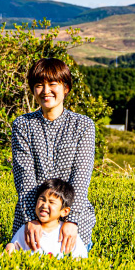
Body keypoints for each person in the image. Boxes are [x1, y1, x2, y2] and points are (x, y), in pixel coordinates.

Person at [11, 58, 96, 254]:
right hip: (32, 214)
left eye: (52, 84)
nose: (46, 90)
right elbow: (25, 178)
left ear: (66, 88)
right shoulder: (23, 125)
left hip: (73, 218)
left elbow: (81, 179)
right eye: (39, 85)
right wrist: (30, 219)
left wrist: (72, 219)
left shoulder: (83, 125)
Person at [5, 178, 88, 258]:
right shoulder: (26, 230)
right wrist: (9, 247)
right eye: (42, 199)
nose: (44, 205)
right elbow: (14, 248)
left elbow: (80, 258)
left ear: (64, 211)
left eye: (51, 202)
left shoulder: (68, 233)